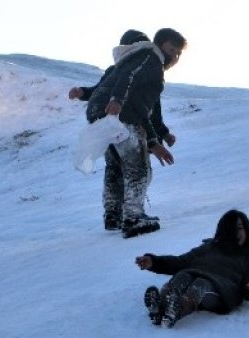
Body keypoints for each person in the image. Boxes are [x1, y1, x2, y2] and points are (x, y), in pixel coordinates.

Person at [74, 28, 186, 238]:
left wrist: (158, 136)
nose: (175, 57)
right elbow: (131, 81)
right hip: (120, 116)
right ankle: (134, 217)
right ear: (158, 45)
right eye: (173, 50)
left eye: (178, 53)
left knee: (116, 168)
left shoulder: (119, 66)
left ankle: (113, 214)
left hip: (105, 117)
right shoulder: (149, 57)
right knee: (138, 167)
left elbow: (146, 110)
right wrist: (117, 100)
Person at [135, 209, 249, 328]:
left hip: (223, 292)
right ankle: (159, 307)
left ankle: (176, 311)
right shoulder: (208, 247)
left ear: (247, 230)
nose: (236, 233)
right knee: (182, 275)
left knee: (201, 284)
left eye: (240, 228)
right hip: (198, 280)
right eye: (231, 230)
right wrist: (154, 262)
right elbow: (180, 262)